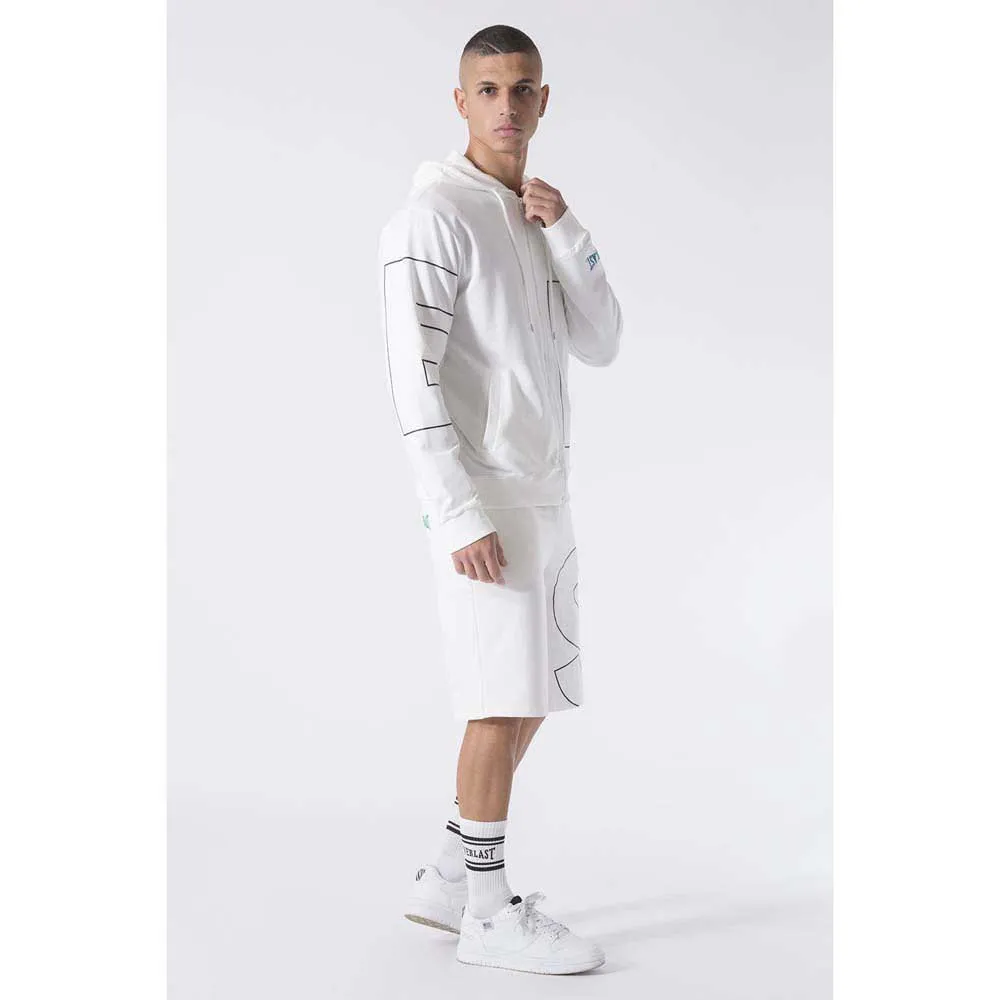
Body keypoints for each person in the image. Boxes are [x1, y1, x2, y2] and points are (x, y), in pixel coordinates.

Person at [377, 23, 623, 975]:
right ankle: (486, 912)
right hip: (485, 499)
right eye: (487, 90)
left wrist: (566, 231)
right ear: (461, 102)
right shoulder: (432, 217)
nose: (506, 106)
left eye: (522, 89)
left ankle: (448, 876)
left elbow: (601, 340)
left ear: (543, 100)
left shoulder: (531, 213)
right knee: (494, 701)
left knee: (533, 695)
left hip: (544, 489)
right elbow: (413, 381)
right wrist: (455, 512)